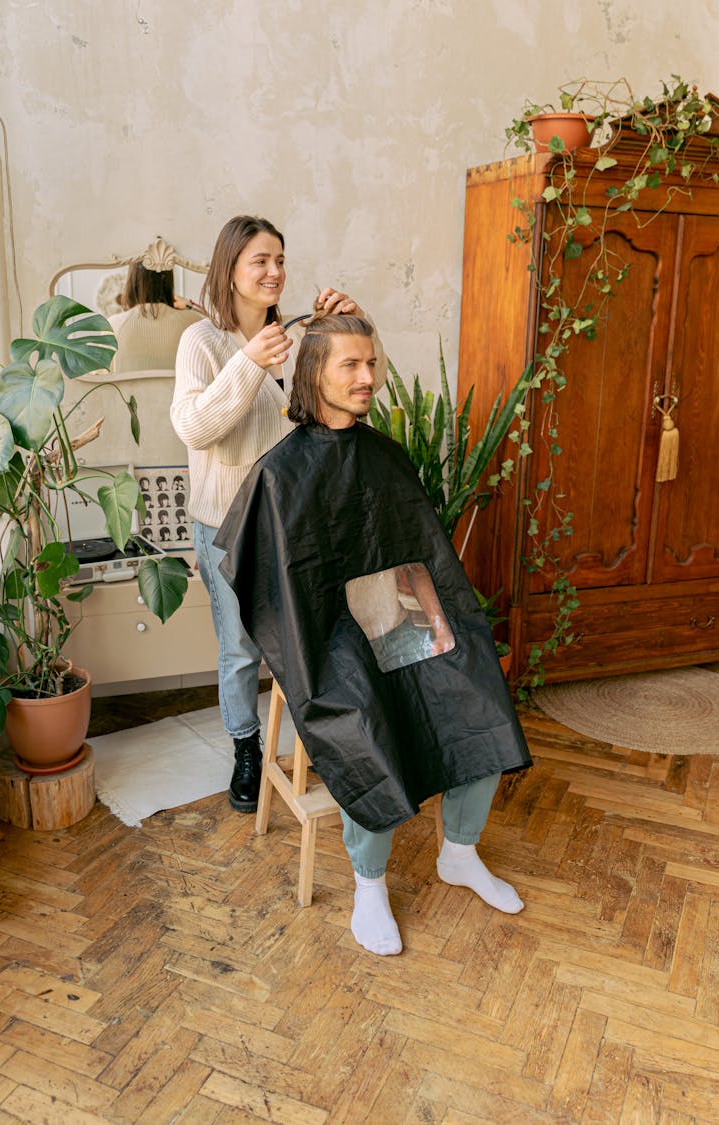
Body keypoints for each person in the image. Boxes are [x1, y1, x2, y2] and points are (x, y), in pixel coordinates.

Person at [216, 315, 532, 956]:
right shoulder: (279, 474)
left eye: (371, 364)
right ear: (315, 374)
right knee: (363, 717)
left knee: (478, 693)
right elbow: (265, 580)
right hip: (326, 634)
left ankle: (460, 853)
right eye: (349, 366)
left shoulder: (385, 454)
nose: (367, 378)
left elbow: (419, 554)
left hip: (396, 608)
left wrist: (438, 625)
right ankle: (369, 887)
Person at [170, 216, 386, 814]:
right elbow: (195, 429)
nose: (275, 272)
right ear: (230, 269)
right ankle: (245, 748)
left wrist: (355, 325)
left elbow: (353, 398)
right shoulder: (202, 342)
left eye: (281, 260)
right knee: (240, 648)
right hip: (225, 524)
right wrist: (247, 363)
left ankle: (325, 743)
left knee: (312, 640)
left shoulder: (299, 338)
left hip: (295, 522)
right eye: (260, 260)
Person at [108, 257, 202, 374]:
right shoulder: (194, 321)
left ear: (132, 281)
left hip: (128, 393)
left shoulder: (112, 326)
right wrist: (190, 306)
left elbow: (99, 384)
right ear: (168, 280)